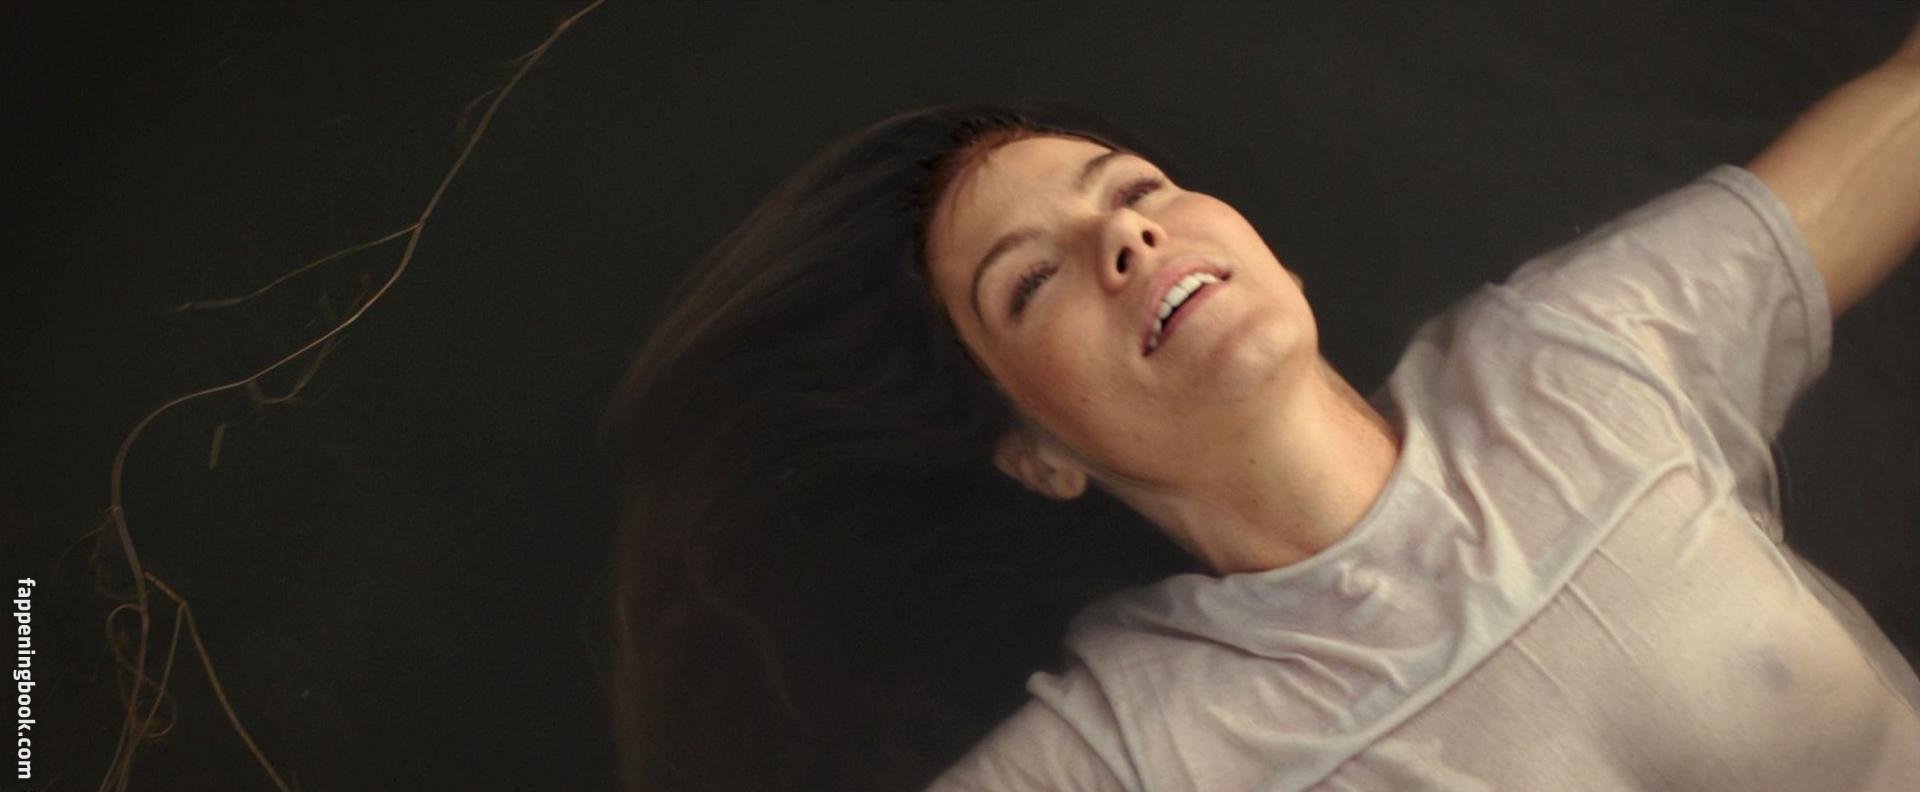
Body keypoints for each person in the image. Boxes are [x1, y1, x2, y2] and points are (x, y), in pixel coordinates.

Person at [599, 25, 1920, 792]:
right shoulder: (1133, 753)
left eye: (1132, 190)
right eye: (1031, 282)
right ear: (1036, 453)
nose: (1125, 238)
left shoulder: (1574, 364)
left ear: (1268, 251)